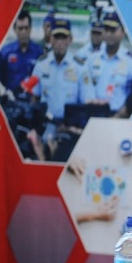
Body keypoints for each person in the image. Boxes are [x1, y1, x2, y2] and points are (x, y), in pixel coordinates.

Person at [30, 17, 95, 159]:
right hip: (47, 125)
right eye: (56, 37)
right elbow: (34, 97)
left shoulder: (79, 67)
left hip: (70, 127)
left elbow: (87, 102)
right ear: (50, 39)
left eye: (63, 37)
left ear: (70, 40)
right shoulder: (41, 65)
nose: (59, 42)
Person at [87, 11, 132, 118]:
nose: (109, 34)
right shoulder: (92, 59)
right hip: (91, 114)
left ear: (123, 33)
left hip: (118, 116)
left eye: (113, 30)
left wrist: (118, 116)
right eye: (106, 29)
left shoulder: (131, 62)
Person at [0, 10, 44, 95]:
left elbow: (42, 76)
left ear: (30, 29)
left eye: (26, 28)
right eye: (20, 28)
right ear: (15, 30)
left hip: (32, 98)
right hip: (12, 97)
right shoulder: (5, 52)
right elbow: (1, 76)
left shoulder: (39, 52)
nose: (23, 32)